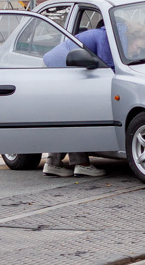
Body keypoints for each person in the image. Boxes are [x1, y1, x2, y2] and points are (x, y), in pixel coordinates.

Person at [40, 26, 116, 178]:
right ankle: (81, 164)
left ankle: (53, 162)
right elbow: (107, 69)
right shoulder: (105, 37)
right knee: (73, 118)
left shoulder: (102, 34)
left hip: (54, 66)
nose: (139, 48)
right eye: (140, 45)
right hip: (61, 69)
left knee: (64, 118)